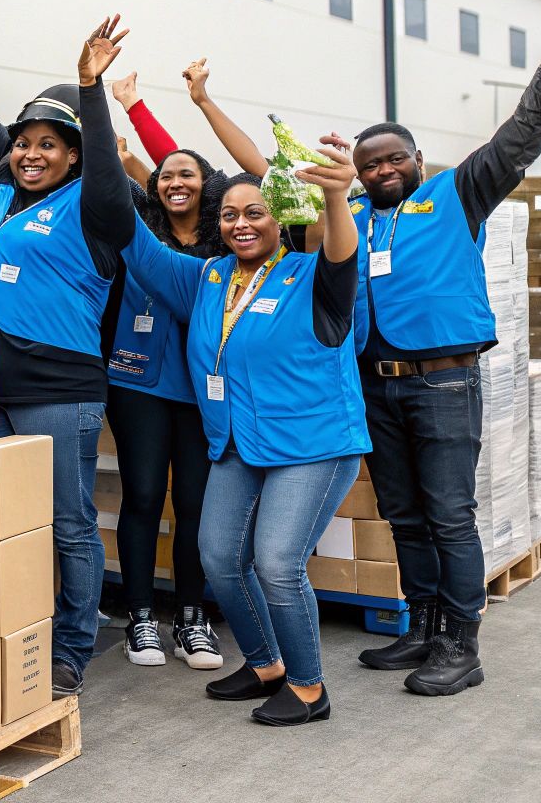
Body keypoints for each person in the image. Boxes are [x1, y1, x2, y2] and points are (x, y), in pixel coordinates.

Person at [339, 1, 541, 695]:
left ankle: (460, 643)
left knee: (448, 513)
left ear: (417, 160)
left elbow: (520, 138)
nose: (381, 169)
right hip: (376, 383)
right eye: (369, 164)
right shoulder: (352, 216)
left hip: (443, 381)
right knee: (404, 512)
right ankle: (419, 626)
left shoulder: (455, 194)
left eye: (393, 158)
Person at [119, 140, 365, 727]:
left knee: (277, 561)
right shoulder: (208, 276)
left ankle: (309, 688)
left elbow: (340, 245)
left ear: (281, 219)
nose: (240, 224)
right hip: (237, 441)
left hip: (312, 445)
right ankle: (265, 665)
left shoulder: (314, 274)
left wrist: (334, 195)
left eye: (255, 212)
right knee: (218, 556)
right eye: (229, 214)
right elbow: (137, 245)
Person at [0, 14, 134, 697]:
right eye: (23, 144)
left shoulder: (98, 206)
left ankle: (73, 646)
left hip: (59, 392)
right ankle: (5, 634)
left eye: (49, 144)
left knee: (69, 525)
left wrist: (91, 88)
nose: (30, 153)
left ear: (74, 155)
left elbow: (105, 165)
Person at [101, 70, 231, 671]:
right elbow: (108, 174)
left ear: (210, 187)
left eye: (189, 173)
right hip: (139, 384)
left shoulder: (230, 240)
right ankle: (142, 618)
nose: (176, 180)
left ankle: (193, 617)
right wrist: (115, 103)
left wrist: (155, 105)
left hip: (206, 389)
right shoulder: (139, 230)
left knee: (198, 505)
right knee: (145, 495)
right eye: (167, 173)